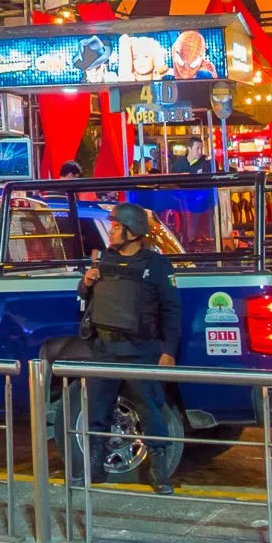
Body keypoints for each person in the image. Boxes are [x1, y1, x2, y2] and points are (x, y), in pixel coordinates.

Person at [77, 203, 182, 494]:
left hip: (141, 350)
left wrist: (168, 351)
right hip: (105, 349)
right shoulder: (104, 261)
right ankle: (94, 471)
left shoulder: (156, 266)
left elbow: (172, 311)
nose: (111, 231)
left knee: (150, 413)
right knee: (97, 411)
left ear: (132, 231)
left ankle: (161, 476)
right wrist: (85, 283)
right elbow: (85, 295)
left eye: (116, 226)